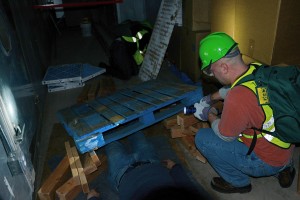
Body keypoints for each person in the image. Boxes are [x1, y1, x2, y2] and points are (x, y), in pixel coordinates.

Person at [193, 32, 296, 194]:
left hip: (266, 160)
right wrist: (211, 98)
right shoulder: (257, 70)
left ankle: (238, 183)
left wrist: (209, 113)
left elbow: (225, 135)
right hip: (286, 144)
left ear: (224, 67)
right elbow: (235, 88)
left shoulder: (238, 97)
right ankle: (285, 169)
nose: (212, 76)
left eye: (211, 71)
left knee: (203, 138)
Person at [87, 131, 207, 200]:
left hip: (122, 173)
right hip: (151, 163)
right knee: (137, 133)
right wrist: (175, 168)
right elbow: (188, 187)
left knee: (111, 143)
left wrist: (92, 198)